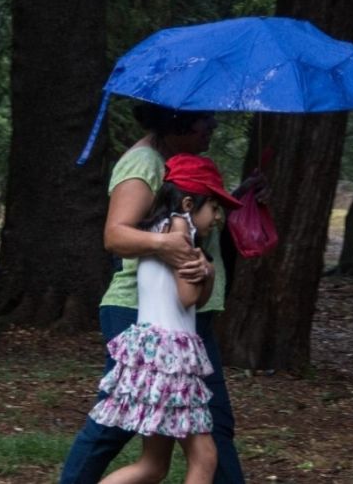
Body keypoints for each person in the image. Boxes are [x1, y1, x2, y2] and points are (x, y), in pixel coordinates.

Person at [60, 103, 250, 484]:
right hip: (141, 315)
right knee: (117, 427)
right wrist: (171, 246)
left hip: (183, 324)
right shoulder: (144, 162)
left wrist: (240, 197)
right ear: (176, 121)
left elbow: (192, 214)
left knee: (205, 431)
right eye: (203, 119)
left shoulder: (180, 169)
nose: (211, 126)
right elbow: (116, 234)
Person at [90, 153, 243, 484]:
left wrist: (208, 275)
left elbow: (195, 300)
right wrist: (208, 268)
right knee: (204, 458)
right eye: (214, 207)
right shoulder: (179, 233)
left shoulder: (157, 230)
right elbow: (188, 296)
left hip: (157, 354)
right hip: (170, 358)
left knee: (152, 466)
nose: (218, 218)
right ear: (188, 203)